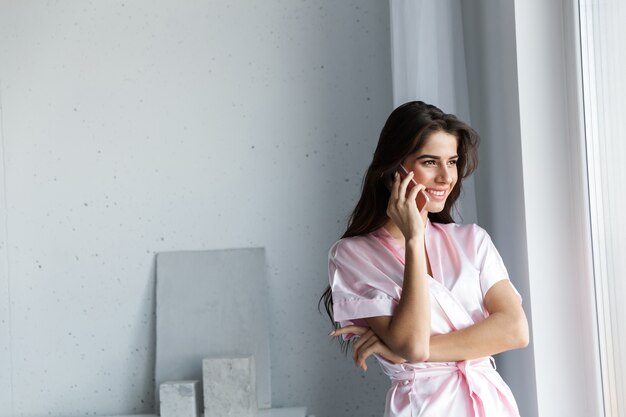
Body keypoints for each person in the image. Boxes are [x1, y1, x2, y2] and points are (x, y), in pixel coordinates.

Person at [320, 101, 528, 417]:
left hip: (492, 404)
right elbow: (414, 344)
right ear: (393, 170)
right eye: (430, 162)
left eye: (453, 162)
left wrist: (403, 353)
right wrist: (415, 240)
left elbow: (514, 330)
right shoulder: (352, 255)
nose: (446, 177)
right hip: (424, 407)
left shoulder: (472, 240)